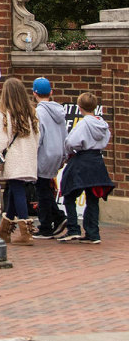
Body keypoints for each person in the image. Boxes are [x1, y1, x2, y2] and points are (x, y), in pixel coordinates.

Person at [58, 92, 113, 244]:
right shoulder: (103, 124)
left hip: (82, 160)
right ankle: (93, 233)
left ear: (79, 107)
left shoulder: (83, 123)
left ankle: (73, 229)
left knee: (69, 194)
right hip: (97, 160)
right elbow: (106, 139)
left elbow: (71, 142)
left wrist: (69, 153)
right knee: (93, 198)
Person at [0, 77, 40, 246]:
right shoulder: (32, 112)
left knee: (17, 189)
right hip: (28, 156)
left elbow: (0, 140)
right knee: (13, 189)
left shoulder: (3, 113)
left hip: (13, 157)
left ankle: (26, 231)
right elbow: (37, 136)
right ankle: (4, 230)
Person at [31, 78, 68, 239]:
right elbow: (64, 134)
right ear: (51, 92)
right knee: (45, 187)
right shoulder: (59, 111)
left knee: (42, 189)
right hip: (57, 152)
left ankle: (46, 225)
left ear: (34, 93)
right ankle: (58, 218)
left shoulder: (38, 112)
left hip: (44, 153)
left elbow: (39, 136)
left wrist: (32, 153)